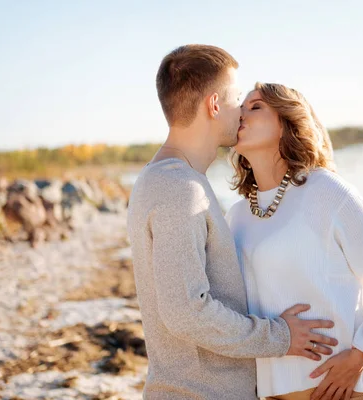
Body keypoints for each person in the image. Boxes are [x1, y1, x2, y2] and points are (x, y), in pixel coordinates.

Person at [127, 45, 338, 400]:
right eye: (237, 98)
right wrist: (280, 336)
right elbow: (185, 310)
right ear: (213, 105)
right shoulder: (179, 188)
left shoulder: (164, 179)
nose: (241, 110)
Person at [226, 83, 363, 400]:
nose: (240, 114)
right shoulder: (236, 217)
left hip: (357, 389)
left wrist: (361, 356)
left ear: (288, 123)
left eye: (255, 107)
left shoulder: (325, 191)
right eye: (239, 107)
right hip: (279, 393)